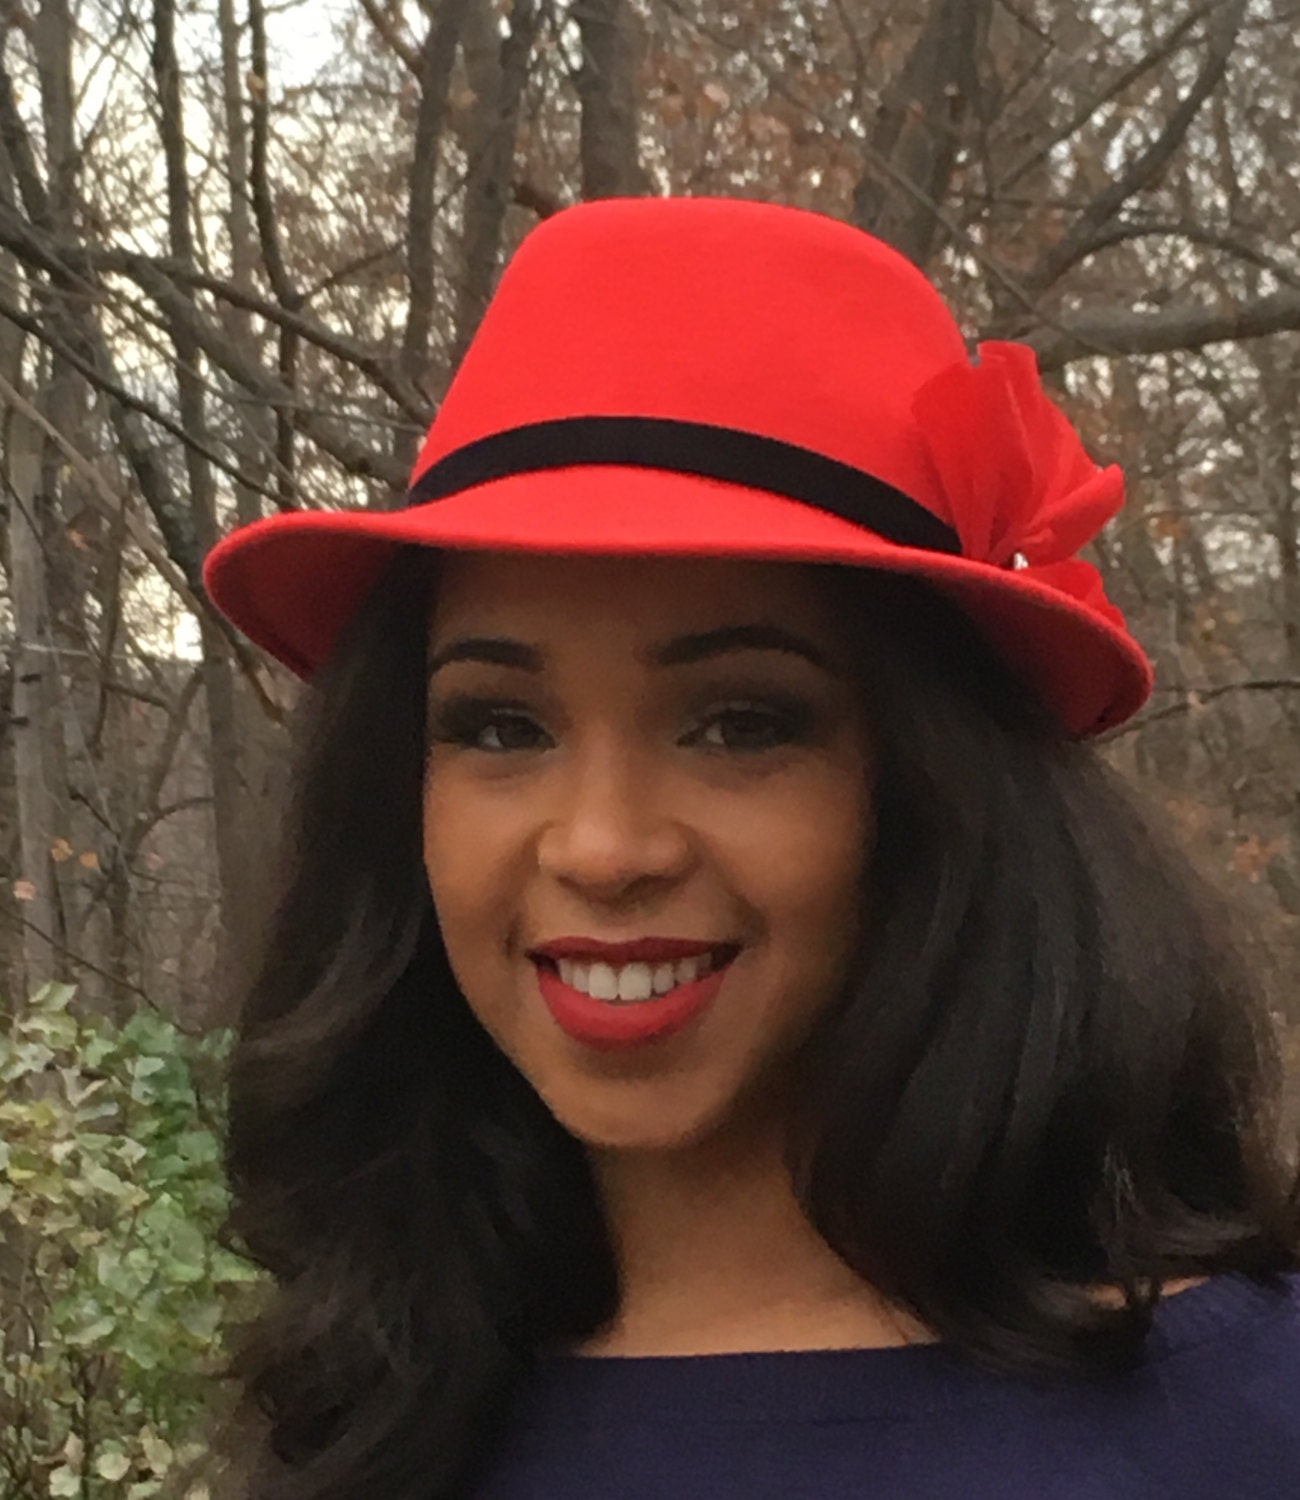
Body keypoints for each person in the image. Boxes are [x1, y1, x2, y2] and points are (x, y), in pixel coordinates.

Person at [202, 198, 1300, 1500]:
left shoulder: (1237, 1417)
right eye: (500, 725)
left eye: (739, 724)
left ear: (940, 789)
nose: (604, 847)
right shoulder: (363, 1422)